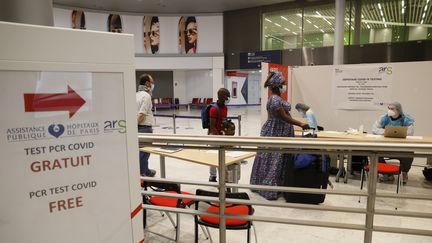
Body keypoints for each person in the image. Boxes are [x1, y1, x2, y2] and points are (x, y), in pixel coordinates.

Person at [250, 72, 309, 200]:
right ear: (276, 86)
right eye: (283, 84)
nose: (284, 86)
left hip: (278, 130)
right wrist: (300, 124)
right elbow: (283, 116)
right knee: (274, 159)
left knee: (274, 158)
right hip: (275, 131)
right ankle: (270, 188)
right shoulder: (275, 100)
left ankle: (277, 185)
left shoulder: (276, 98)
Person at [372, 102, 415, 183]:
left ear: (398, 110)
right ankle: (387, 174)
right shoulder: (384, 118)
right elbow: (374, 129)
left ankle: (404, 172)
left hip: (401, 148)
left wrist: (397, 132)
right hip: (386, 147)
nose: (389, 110)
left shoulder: (406, 119)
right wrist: (387, 132)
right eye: (389, 108)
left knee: (409, 154)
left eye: (392, 109)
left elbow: (410, 132)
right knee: (375, 152)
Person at [208, 88, 231, 182]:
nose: (229, 98)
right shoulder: (213, 109)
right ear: (222, 97)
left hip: (221, 134)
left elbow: (223, 121)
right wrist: (219, 138)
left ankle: (222, 177)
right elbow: (212, 126)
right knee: (213, 156)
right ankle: (212, 176)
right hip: (214, 135)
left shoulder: (225, 108)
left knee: (222, 156)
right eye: (227, 96)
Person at [136, 74, 156, 177]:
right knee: (144, 153)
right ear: (147, 83)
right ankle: (143, 175)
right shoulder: (146, 96)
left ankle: (145, 170)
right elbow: (142, 115)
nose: (153, 84)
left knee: (140, 153)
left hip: (138, 129)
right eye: (152, 82)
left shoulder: (136, 95)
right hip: (144, 128)